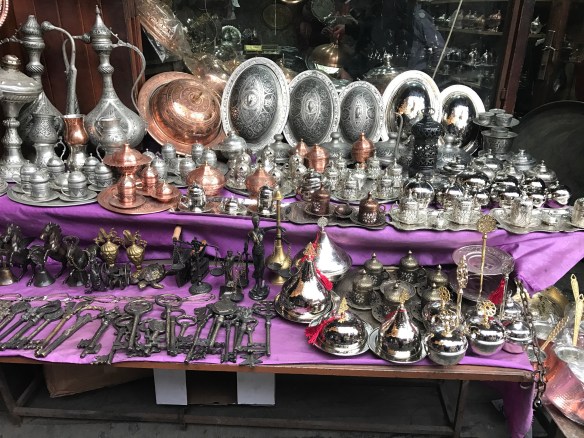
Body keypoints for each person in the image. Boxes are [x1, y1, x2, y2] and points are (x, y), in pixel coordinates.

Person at [332, 0, 444, 78]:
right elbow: (373, 31)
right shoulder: (386, 15)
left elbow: (438, 48)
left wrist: (428, 75)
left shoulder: (417, 17)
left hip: (412, 75)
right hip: (394, 73)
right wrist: (349, 29)